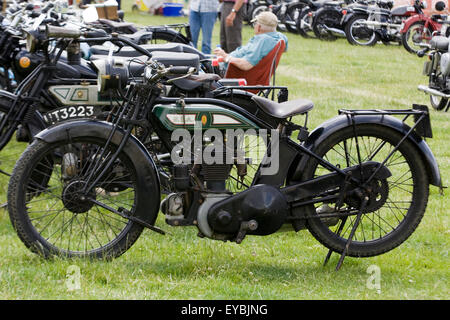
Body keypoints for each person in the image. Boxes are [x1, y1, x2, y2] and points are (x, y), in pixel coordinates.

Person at [213, 11, 287, 72]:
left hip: (230, 72)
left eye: (255, 24)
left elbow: (246, 65)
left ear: (259, 27)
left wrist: (226, 57)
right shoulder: (281, 38)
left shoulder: (263, 40)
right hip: (229, 66)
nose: (254, 26)